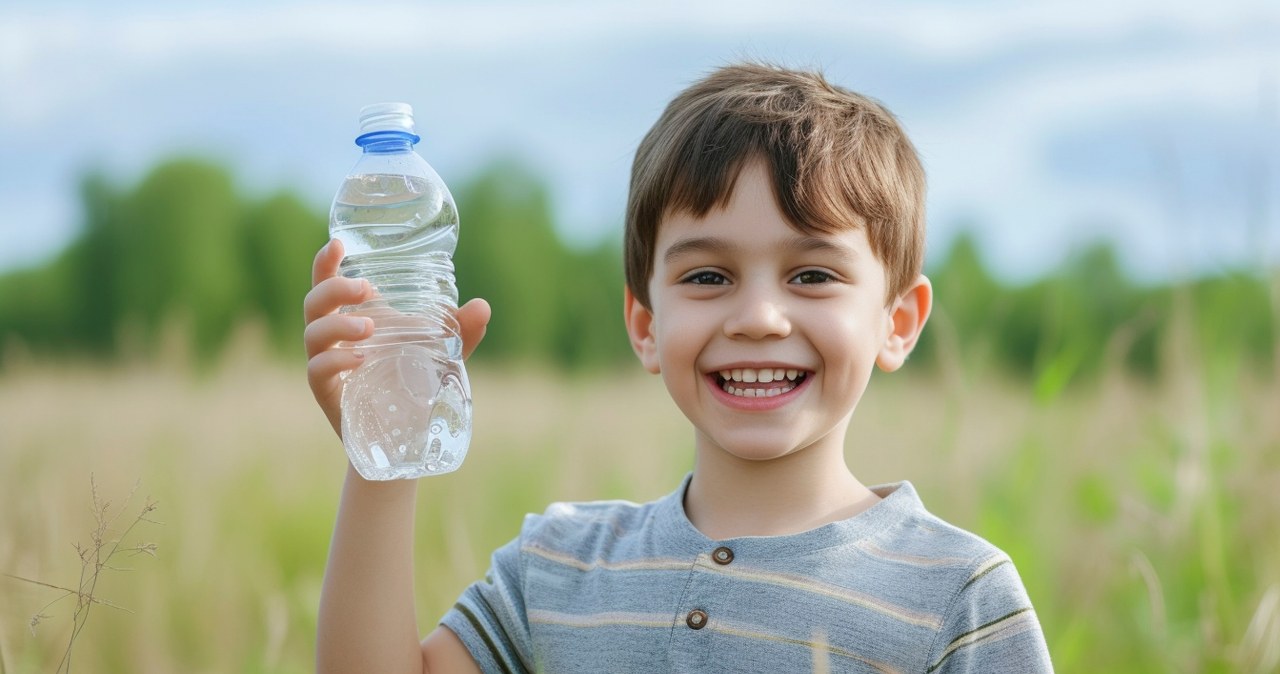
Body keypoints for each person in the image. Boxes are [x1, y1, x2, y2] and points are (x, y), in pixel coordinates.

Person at [304, 62, 1054, 673]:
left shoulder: (957, 597)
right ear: (645, 325)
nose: (759, 317)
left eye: (813, 275)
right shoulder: (558, 572)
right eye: (707, 277)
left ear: (897, 323)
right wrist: (385, 450)